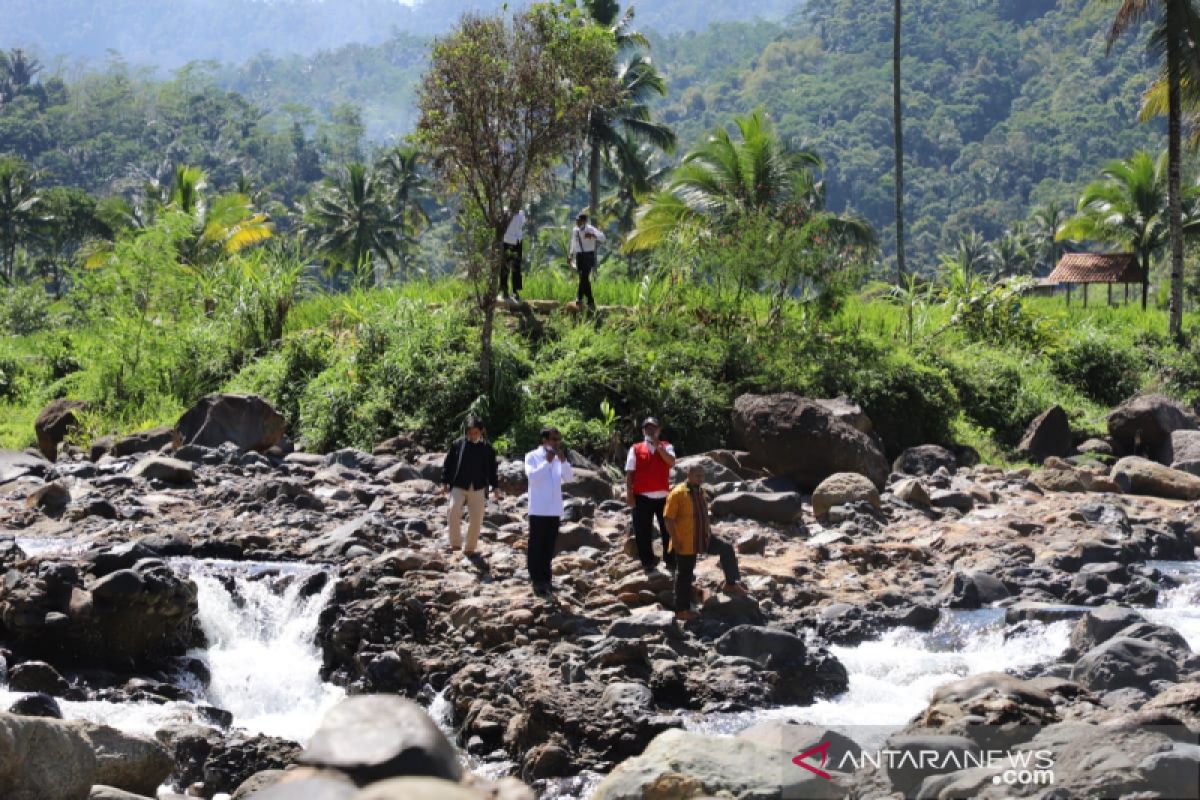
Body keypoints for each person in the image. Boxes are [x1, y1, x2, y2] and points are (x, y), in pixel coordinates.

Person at [663, 464, 748, 621]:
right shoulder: (677, 493)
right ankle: (681, 610)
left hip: (703, 537)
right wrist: (675, 539)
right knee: (685, 575)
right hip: (685, 541)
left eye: (703, 476)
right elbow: (668, 518)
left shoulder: (699, 490)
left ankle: (730, 583)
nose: (701, 479)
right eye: (697, 476)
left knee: (726, 548)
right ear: (689, 474)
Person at [441, 416, 500, 562]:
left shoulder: (488, 449)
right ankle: (455, 544)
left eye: (475, 432)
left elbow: (492, 470)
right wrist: (445, 481)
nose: (472, 435)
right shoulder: (458, 444)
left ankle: (470, 548)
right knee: (453, 510)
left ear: (481, 431)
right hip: (459, 485)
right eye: (470, 432)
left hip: (478, 487)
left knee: (477, 518)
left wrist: (495, 487)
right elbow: (448, 463)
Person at [524, 426, 574, 596]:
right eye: (554, 439)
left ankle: (546, 578)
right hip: (538, 508)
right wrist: (547, 461)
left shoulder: (558, 458)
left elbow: (569, 478)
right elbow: (532, 478)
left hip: (554, 509)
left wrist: (564, 461)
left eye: (558, 439)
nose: (557, 442)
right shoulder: (532, 456)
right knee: (536, 545)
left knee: (549, 546)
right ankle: (536, 579)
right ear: (544, 440)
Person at [625, 416, 677, 574]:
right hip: (641, 496)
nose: (650, 430)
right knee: (642, 531)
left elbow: (671, 462)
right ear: (643, 431)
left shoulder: (667, 446)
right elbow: (629, 473)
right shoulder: (635, 448)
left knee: (668, 529)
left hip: (663, 496)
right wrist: (629, 494)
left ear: (659, 430)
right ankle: (647, 562)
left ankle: (670, 560)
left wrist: (658, 447)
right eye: (647, 428)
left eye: (653, 428)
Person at [569, 211, 605, 309]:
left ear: (584, 221)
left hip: (588, 255)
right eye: (576, 220)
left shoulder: (590, 229)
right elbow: (573, 243)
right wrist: (570, 255)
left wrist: (593, 236)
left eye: (579, 220)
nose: (577, 222)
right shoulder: (575, 230)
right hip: (579, 256)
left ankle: (579, 297)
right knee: (583, 278)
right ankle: (590, 299)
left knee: (584, 276)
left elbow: (602, 237)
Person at [501, 207, 526, 301]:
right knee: (505, 267)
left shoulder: (521, 213)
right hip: (507, 241)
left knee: (517, 268)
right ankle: (504, 290)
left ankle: (515, 291)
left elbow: (522, 225)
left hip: (518, 242)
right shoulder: (505, 212)